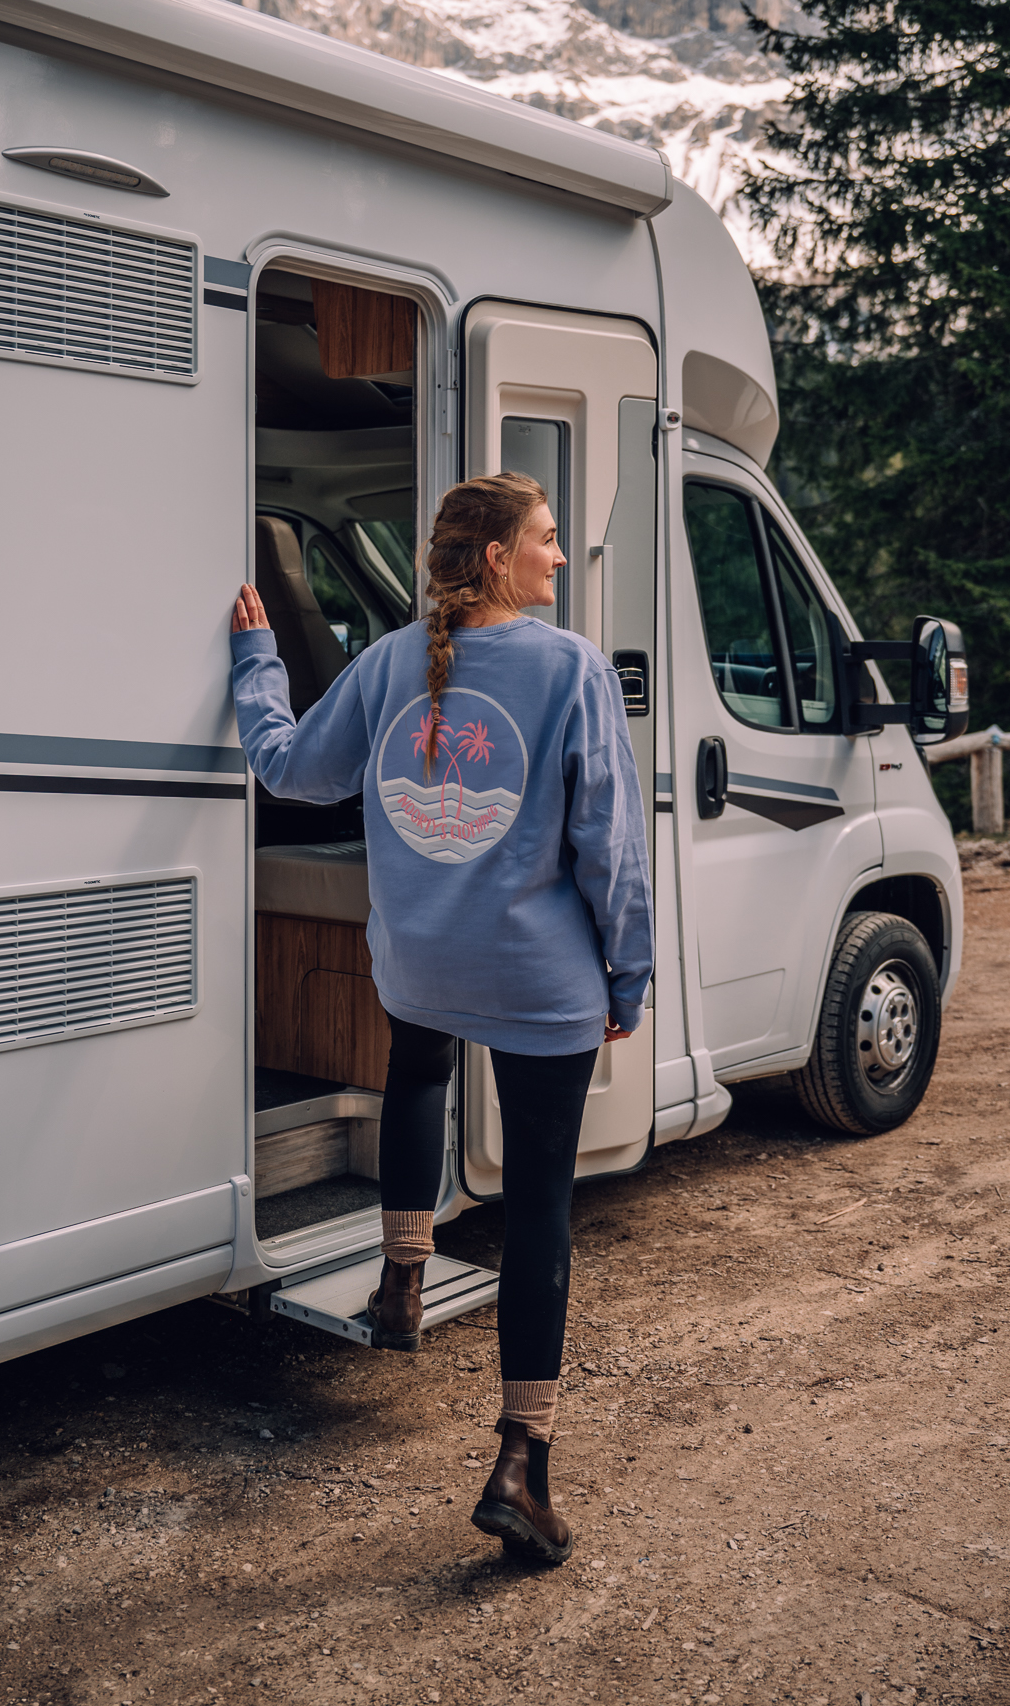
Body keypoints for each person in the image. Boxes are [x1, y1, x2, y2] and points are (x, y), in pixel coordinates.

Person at [229, 472, 653, 1566]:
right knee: (540, 1208)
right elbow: (608, 844)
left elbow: (287, 768)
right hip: (536, 980)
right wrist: (627, 976)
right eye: (546, 538)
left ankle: (402, 1283)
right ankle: (521, 1465)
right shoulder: (572, 668)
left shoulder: (385, 662)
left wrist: (255, 659)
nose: (558, 554)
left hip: (420, 965)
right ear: (499, 557)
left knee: (417, 1074)